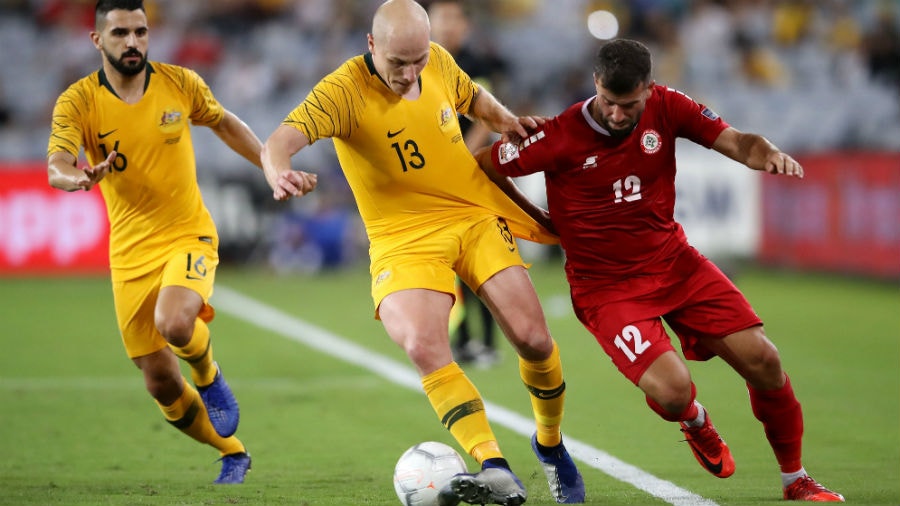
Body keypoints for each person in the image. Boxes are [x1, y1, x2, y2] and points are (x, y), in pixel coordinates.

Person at [475, 38, 844, 502]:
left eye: (628, 105)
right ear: (596, 84)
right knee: (673, 391)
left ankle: (797, 481)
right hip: (606, 291)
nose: (616, 114)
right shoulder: (559, 135)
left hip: (676, 265)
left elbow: (734, 140)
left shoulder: (669, 107)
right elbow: (484, 166)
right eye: (608, 102)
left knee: (765, 362)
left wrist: (765, 152)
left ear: (649, 89)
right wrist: (537, 223)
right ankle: (694, 420)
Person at [261, 1, 585, 504]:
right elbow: (278, 141)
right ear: (371, 45)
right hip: (402, 237)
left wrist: (504, 121)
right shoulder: (342, 91)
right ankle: (494, 465)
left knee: (534, 340)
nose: (411, 73)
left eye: (418, 61)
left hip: (471, 214)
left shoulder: (435, 59)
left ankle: (551, 446)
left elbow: (472, 95)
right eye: (398, 63)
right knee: (421, 344)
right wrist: (279, 171)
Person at [47, 0, 260, 484]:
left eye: (141, 32)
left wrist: (270, 160)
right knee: (160, 382)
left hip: (188, 232)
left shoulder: (180, 83)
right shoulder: (78, 101)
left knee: (175, 320)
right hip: (129, 253)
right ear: (97, 40)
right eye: (120, 33)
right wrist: (76, 177)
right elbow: (57, 161)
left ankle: (208, 375)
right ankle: (232, 450)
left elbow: (223, 121)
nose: (133, 42)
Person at [427, 0, 501, 368]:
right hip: (436, 178)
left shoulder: (474, 63)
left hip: (470, 173)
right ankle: (460, 340)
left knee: (482, 257)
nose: (449, 24)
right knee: (446, 262)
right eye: (442, 17)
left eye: (455, 17)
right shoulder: (417, 64)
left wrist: (462, 156)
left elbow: (485, 115)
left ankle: (488, 341)